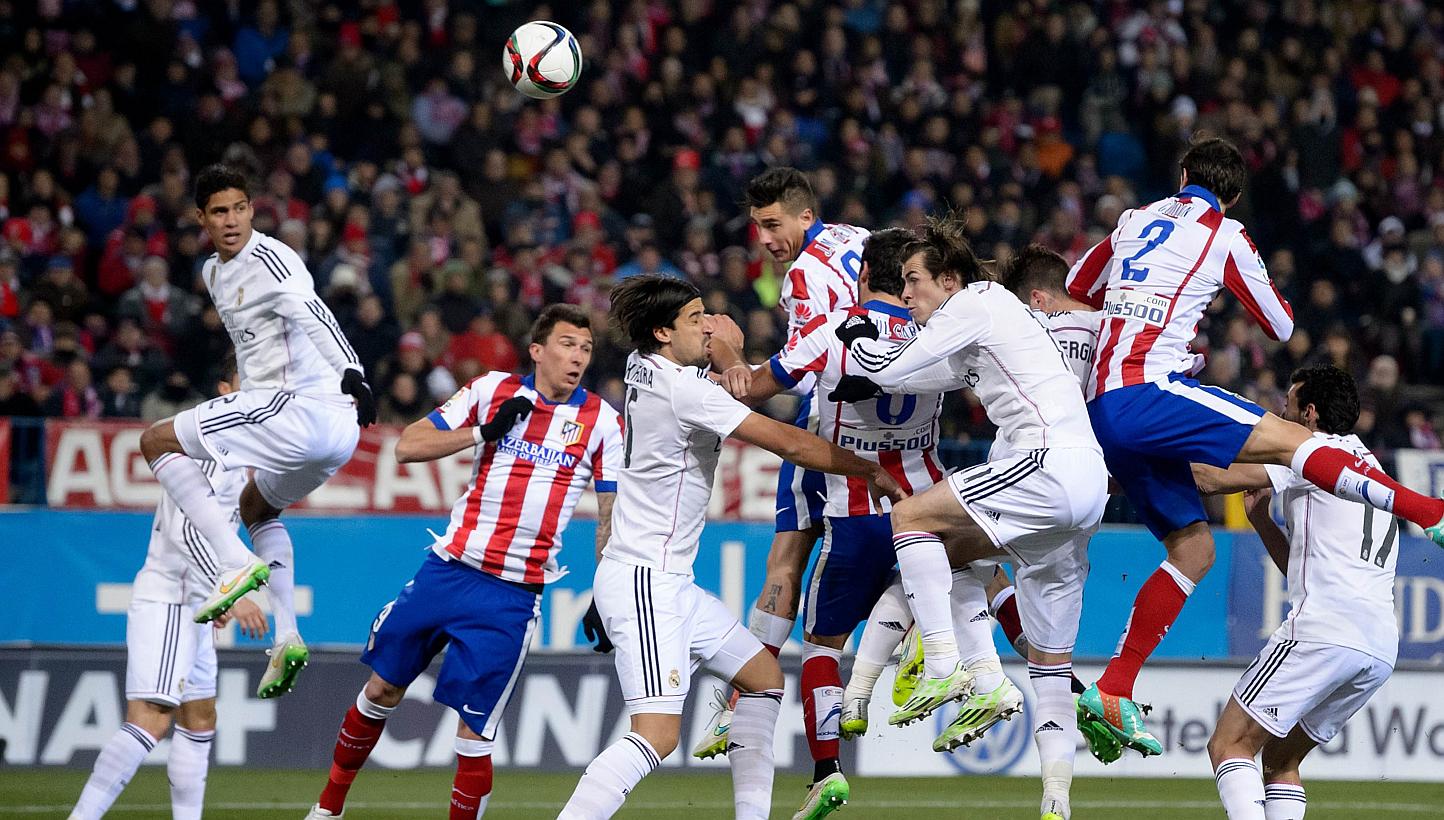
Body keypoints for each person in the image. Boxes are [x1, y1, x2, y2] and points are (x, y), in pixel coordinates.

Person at [1063, 137, 1444, 754]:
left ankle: (1114, 686)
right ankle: (1427, 511)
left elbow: (1082, 285)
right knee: (1297, 440)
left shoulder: (1133, 220)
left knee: (1194, 550)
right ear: (1232, 193)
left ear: (1182, 174)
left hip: (1104, 404)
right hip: (1147, 390)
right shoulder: (1225, 234)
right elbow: (1282, 325)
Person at [556, 275, 902, 820]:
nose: (707, 326)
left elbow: (726, 379)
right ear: (663, 332)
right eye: (695, 319)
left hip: (666, 581)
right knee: (656, 737)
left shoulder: (645, 367)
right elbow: (786, 439)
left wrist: (728, 352)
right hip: (648, 583)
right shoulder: (685, 389)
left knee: (762, 681)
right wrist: (868, 469)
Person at [837, 215, 1108, 820]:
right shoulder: (984, 327)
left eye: (913, 280)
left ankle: (943, 668)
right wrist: (863, 377)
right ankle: (1057, 799)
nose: (906, 294)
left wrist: (856, 335)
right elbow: (924, 373)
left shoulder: (980, 300)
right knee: (1039, 651)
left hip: (1048, 464)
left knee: (910, 517)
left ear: (949, 278)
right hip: (1084, 493)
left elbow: (890, 366)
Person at [305, 306, 621, 820]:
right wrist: (483, 433)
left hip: (512, 594)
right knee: (382, 687)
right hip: (449, 568)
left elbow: (610, 513)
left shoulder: (603, 421)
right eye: (567, 344)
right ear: (537, 351)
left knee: (474, 733)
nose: (578, 357)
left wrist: (607, 590)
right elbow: (408, 446)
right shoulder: (490, 390)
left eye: (585, 348)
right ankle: (328, 809)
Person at [712, 227, 943, 819]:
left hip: (859, 512)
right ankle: (1040, 676)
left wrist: (729, 355)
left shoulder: (834, 328)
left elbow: (752, 390)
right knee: (977, 576)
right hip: (929, 503)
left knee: (821, 645)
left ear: (863, 275)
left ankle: (826, 770)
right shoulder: (940, 327)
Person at [138, 164, 376, 699]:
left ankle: (235, 562)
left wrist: (354, 372)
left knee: (154, 442)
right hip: (325, 432)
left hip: (301, 409)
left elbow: (314, 313)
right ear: (201, 217)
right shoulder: (213, 274)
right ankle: (287, 634)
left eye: (240, 208)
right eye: (219, 211)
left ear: (252, 209)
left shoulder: (271, 258)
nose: (231, 220)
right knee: (257, 508)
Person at [692, 167, 871, 761]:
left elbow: (797, 366)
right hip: (896, 415)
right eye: (757, 227)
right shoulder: (857, 240)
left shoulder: (803, 272)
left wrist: (735, 368)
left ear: (802, 215)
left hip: (830, 421)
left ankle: (740, 704)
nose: (766, 239)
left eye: (773, 225)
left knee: (786, 556)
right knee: (920, 528)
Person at [1192, 366, 1398, 820]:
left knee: (1230, 742)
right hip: (1379, 646)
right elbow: (1307, 570)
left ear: (1309, 414)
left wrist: (1147, 444)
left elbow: (1208, 478)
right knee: (1281, 760)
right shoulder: (1372, 467)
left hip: (1325, 627)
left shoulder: (1312, 450)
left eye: (1285, 407)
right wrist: (1263, 521)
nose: (1276, 417)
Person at [70, 367, 269, 820]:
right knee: (151, 718)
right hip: (170, 597)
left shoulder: (243, 450)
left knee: (199, 719)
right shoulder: (208, 441)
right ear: (225, 389)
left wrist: (212, 594)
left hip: (195, 600)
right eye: (247, 382)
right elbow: (185, 529)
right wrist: (229, 589)